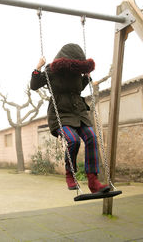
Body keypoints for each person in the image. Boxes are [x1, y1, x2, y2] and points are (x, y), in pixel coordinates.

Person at [30, 43, 110, 194]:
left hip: (79, 113)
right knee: (73, 140)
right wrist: (38, 67)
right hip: (60, 115)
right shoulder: (51, 71)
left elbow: (78, 89)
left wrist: (87, 78)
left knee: (92, 137)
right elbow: (34, 85)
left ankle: (93, 182)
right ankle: (70, 175)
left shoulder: (76, 74)